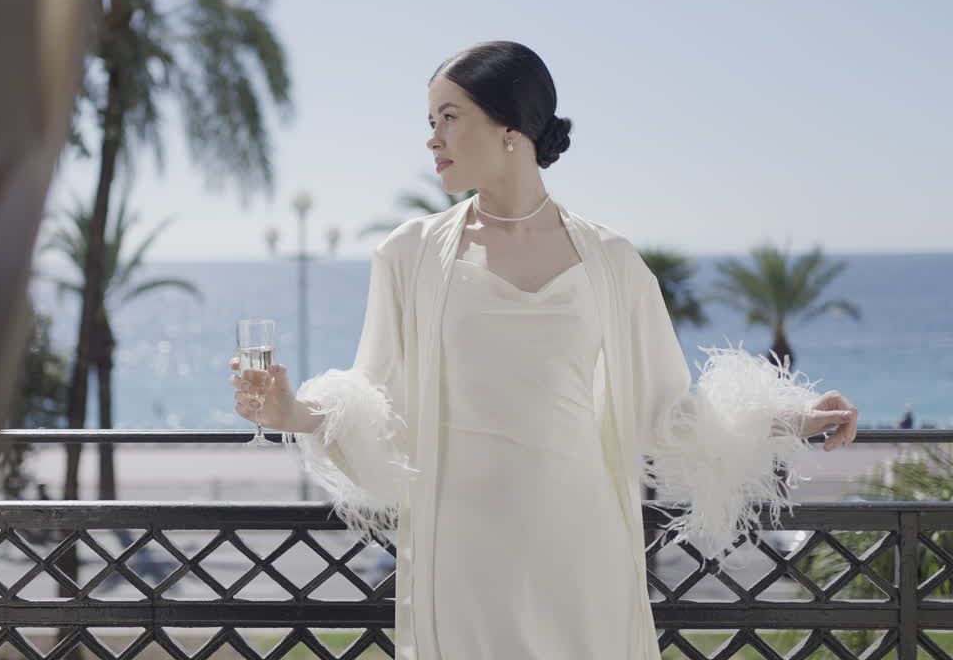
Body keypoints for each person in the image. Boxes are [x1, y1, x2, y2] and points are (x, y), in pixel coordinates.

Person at [226, 41, 859, 659]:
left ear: (510, 127)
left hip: (583, 540)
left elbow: (665, 413)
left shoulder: (611, 261)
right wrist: (295, 414)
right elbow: (375, 396)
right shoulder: (410, 254)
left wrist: (793, 417)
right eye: (430, 122)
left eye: (450, 118)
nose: (433, 139)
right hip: (462, 548)